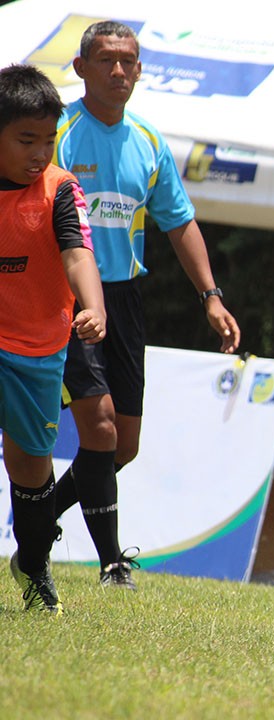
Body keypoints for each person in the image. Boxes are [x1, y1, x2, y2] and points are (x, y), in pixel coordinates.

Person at [50, 21, 241, 591]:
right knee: (101, 426)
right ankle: (112, 564)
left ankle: (39, 522)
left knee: (123, 445)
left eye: (128, 61)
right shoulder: (54, 131)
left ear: (139, 70)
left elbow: (179, 222)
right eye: (106, 60)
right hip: (65, 297)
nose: (118, 71)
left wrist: (211, 296)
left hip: (125, 299)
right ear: (81, 67)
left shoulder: (150, 141)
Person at [0, 64, 106, 614]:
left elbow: (77, 251)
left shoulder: (61, 189)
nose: (40, 152)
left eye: (49, 139)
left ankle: (33, 562)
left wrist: (94, 304)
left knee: (30, 466)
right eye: (26, 140)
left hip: (38, 348)